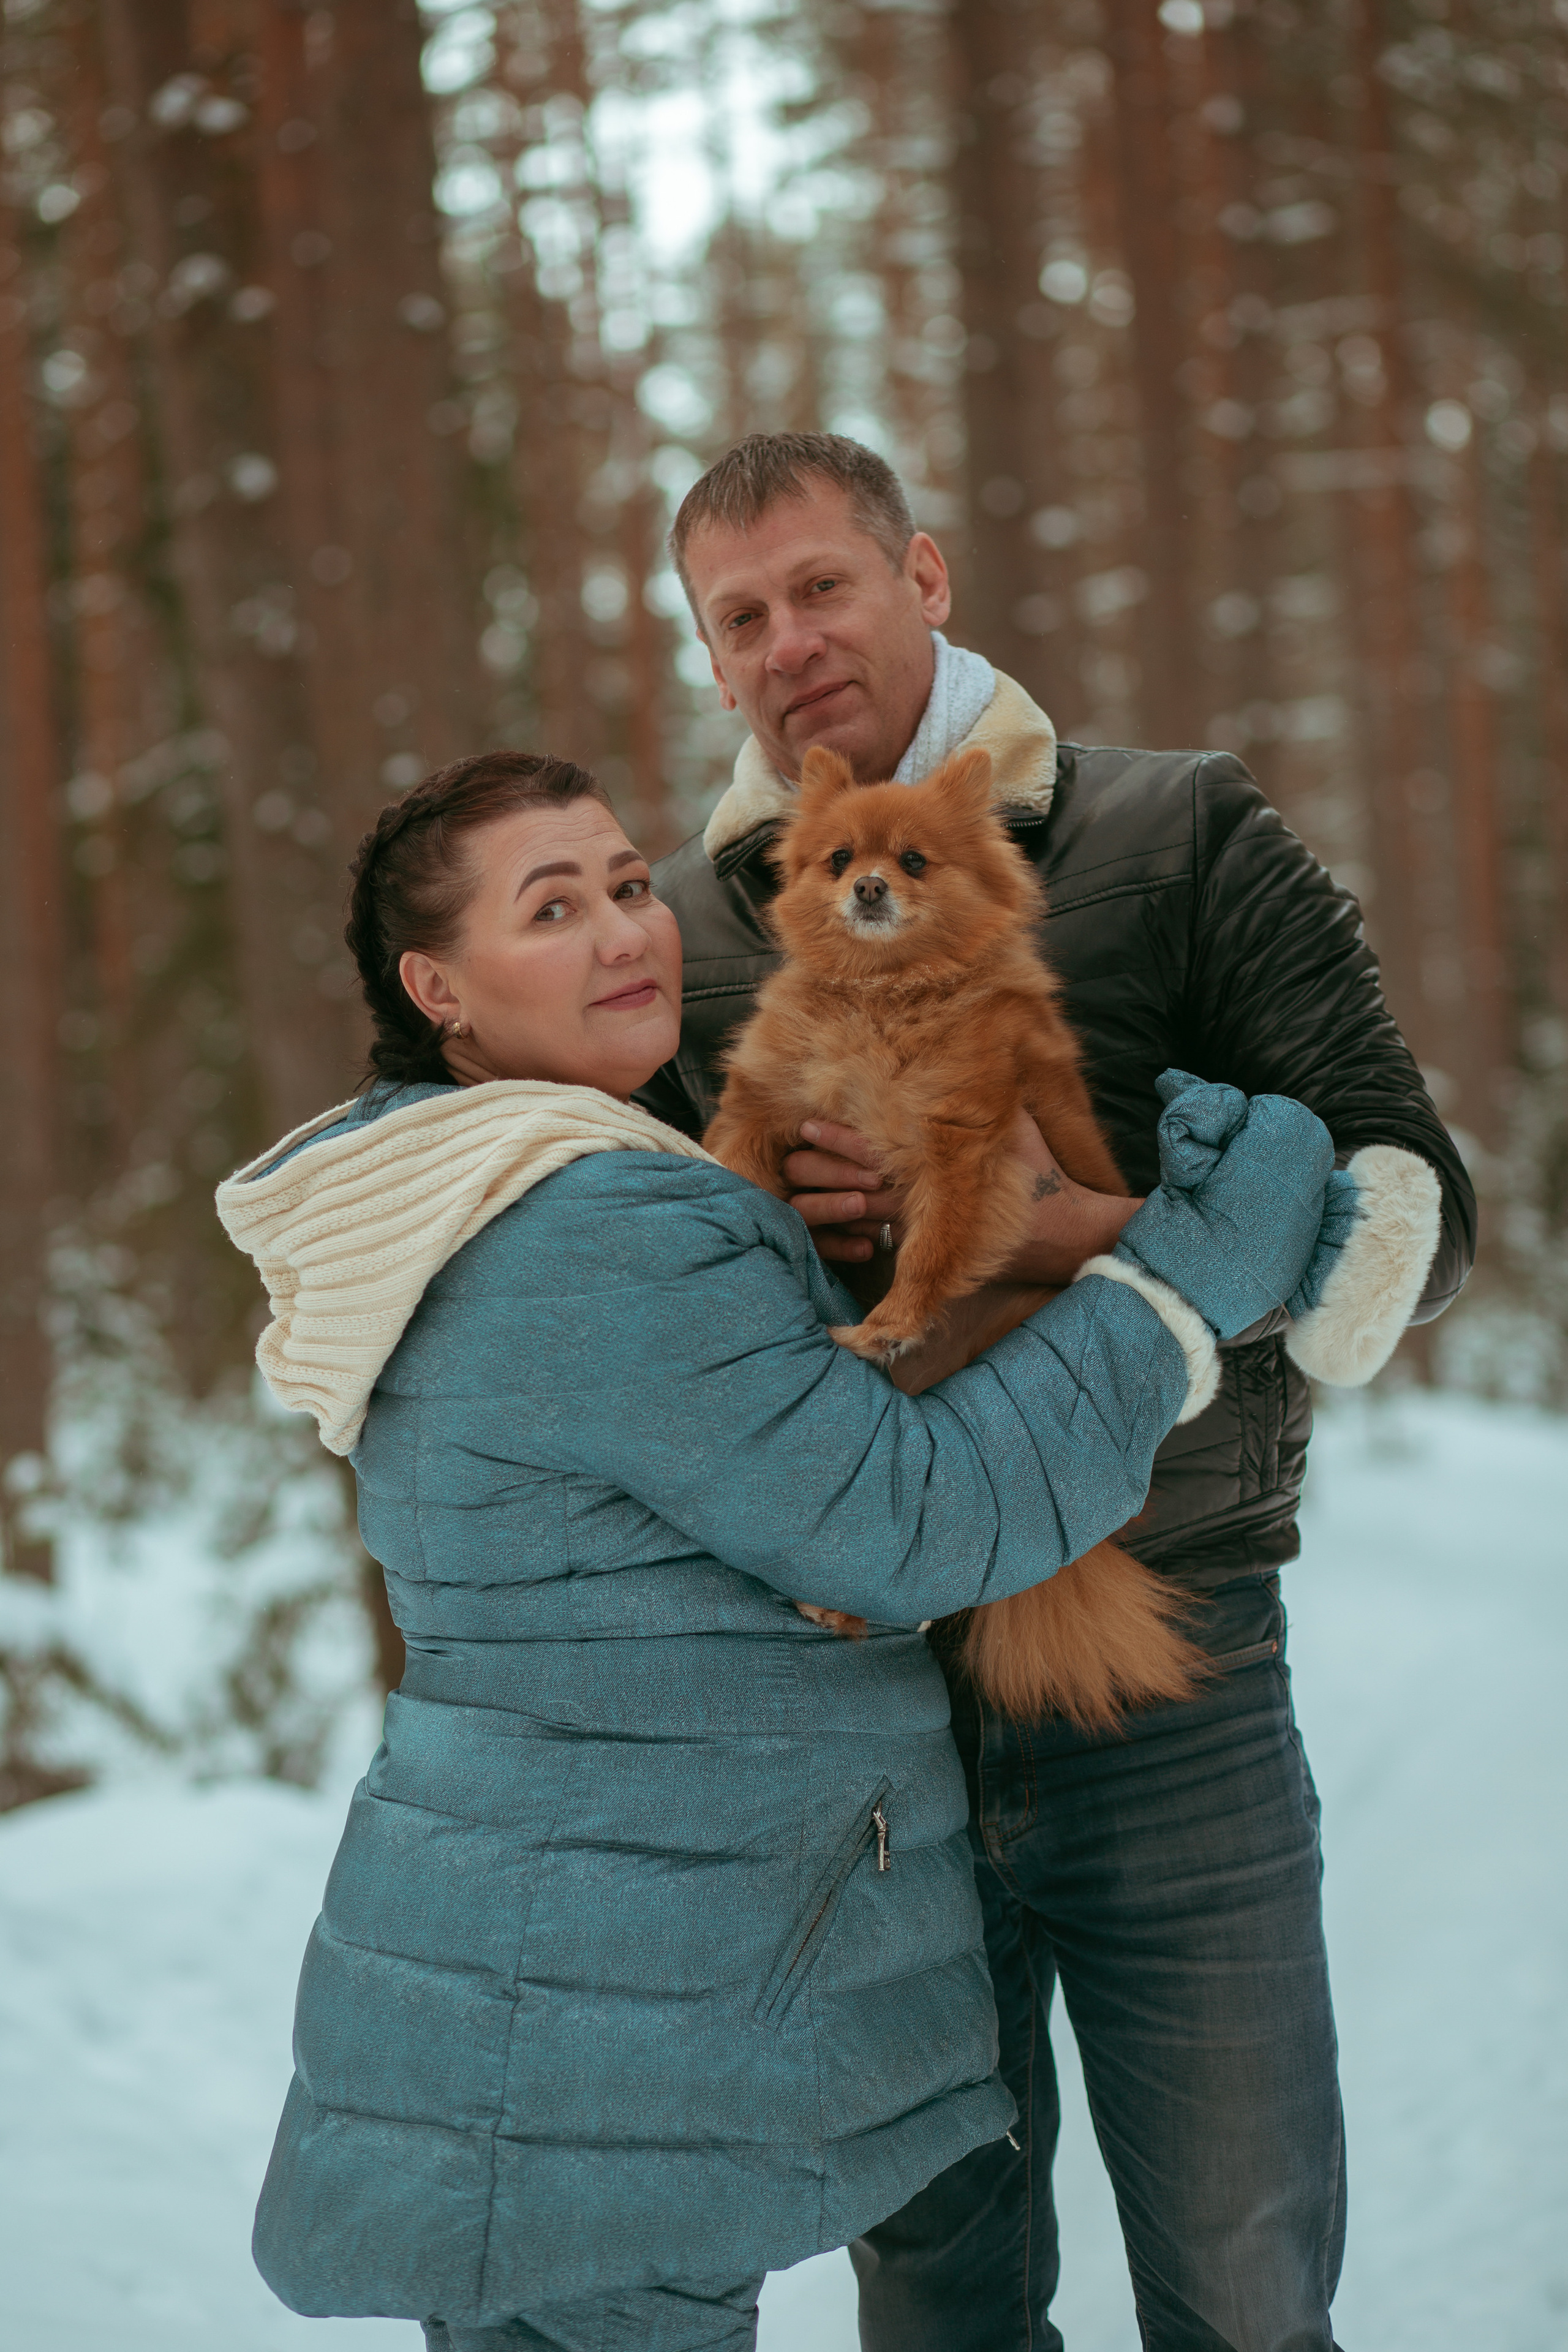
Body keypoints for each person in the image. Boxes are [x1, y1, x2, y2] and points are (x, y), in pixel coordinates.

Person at [217, 750, 1343, 2352]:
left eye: (627, 884)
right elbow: (908, 1516)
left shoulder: (456, 1191)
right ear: (438, 988)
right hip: (609, 2027)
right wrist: (1173, 1288)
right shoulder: (593, 1226)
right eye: (554, 909)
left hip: (559, 1993)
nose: (627, 931)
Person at [637, 432, 1478, 2351]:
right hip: (863, 1714)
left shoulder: (1178, 828)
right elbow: (650, 1309)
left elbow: (1407, 1204)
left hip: (1168, 1663)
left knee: (1245, 2282)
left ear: (924, 577)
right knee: (937, 2300)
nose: (787, 642)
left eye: (822, 586)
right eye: (739, 617)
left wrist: (1064, 1225)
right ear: (712, 657)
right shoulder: (676, 935)